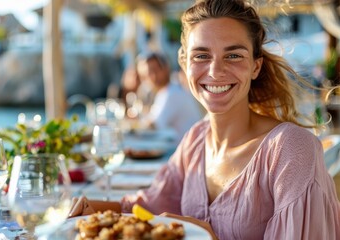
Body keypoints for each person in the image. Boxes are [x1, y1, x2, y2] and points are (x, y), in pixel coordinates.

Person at [69, 0, 340, 239]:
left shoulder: (292, 150)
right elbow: (147, 208)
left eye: (233, 55)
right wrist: (95, 208)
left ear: (255, 66)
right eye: (201, 56)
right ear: (185, 63)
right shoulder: (196, 140)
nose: (215, 70)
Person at [135, 51, 205, 141]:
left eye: (154, 70)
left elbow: (153, 126)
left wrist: (131, 127)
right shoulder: (169, 90)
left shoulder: (172, 93)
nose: (151, 77)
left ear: (166, 68)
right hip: (190, 146)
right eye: (145, 75)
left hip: (193, 149)